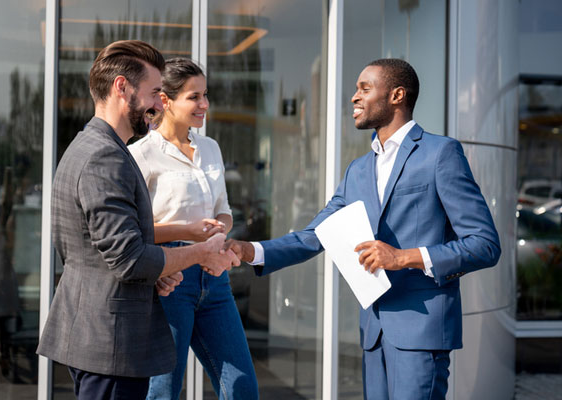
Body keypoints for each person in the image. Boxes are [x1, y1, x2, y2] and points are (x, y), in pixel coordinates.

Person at [225, 58, 501, 400]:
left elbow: (484, 244)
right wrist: (251, 250)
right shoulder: (358, 170)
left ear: (397, 95)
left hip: (421, 332)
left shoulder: (440, 154)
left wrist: (404, 257)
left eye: (364, 89)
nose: (354, 97)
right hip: (374, 332)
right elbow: (316, 235)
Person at [36, 40, 239, 400]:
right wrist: (201, 252)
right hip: (110, 344)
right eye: (154, 93)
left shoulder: (91, 146)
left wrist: (155, 275)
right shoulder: (106, 157)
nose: (156, 104)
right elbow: (129, 258)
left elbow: (97, 249)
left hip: (101, 338)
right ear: (121, 88)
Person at [128, 57, 258, 400]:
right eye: (193, 96)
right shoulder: (141, 154)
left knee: (242, 387)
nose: (204, 104)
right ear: (166, 101)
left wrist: (219, 235)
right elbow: (135, 231)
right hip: (169, 279)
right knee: (163, 390)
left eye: (205, 95)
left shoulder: (211, 148)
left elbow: (224, 212)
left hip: (215, 279)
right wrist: (191, 233)